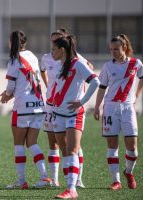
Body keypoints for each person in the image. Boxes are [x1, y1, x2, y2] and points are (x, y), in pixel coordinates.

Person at [0, 30, 52, 189]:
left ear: (11, 42)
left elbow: (11, 86)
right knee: (32, 143)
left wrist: (6, 95)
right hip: (38, 104)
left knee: (18, 144)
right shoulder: (32, 56)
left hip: (22, 107)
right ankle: (45, 177)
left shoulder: (14, 59)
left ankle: (22, 181)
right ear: (26, 43)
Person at [50, 36, 99, 199]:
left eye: (53, 49)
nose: (52, 52)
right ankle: (70, 185)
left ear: (62, 50)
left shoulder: (78, 63)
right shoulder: (60, 65)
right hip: (58, 114)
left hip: (74, 114)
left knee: (71, 150)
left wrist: (82, 102)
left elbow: (95, 82)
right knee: (65, 152)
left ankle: (71, 189)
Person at [94, 34, 143, 190]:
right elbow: (102, 88)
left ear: (125, 48)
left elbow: (142, 77)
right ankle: (116, 181)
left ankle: (128, 172)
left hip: (128, 109)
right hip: (110, 108)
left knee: (133, 149)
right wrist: (96, 107)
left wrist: (136, 94)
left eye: (116, 49)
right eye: (111, 49)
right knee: (112, 146)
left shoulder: (136, 64)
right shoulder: (108, 66)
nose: (113, 52)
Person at [40, 29, 88, 188]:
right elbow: (42, 71)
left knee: (74, 146)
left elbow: (90, 75)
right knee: (54, 143)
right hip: (53, 106)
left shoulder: (76, 59)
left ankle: (76, 181)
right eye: (52, 41)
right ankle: (55, 180)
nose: (53, 46)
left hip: (71, 107)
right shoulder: (47, 58)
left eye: (57, 41)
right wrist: (48, 88)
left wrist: (82, 99)